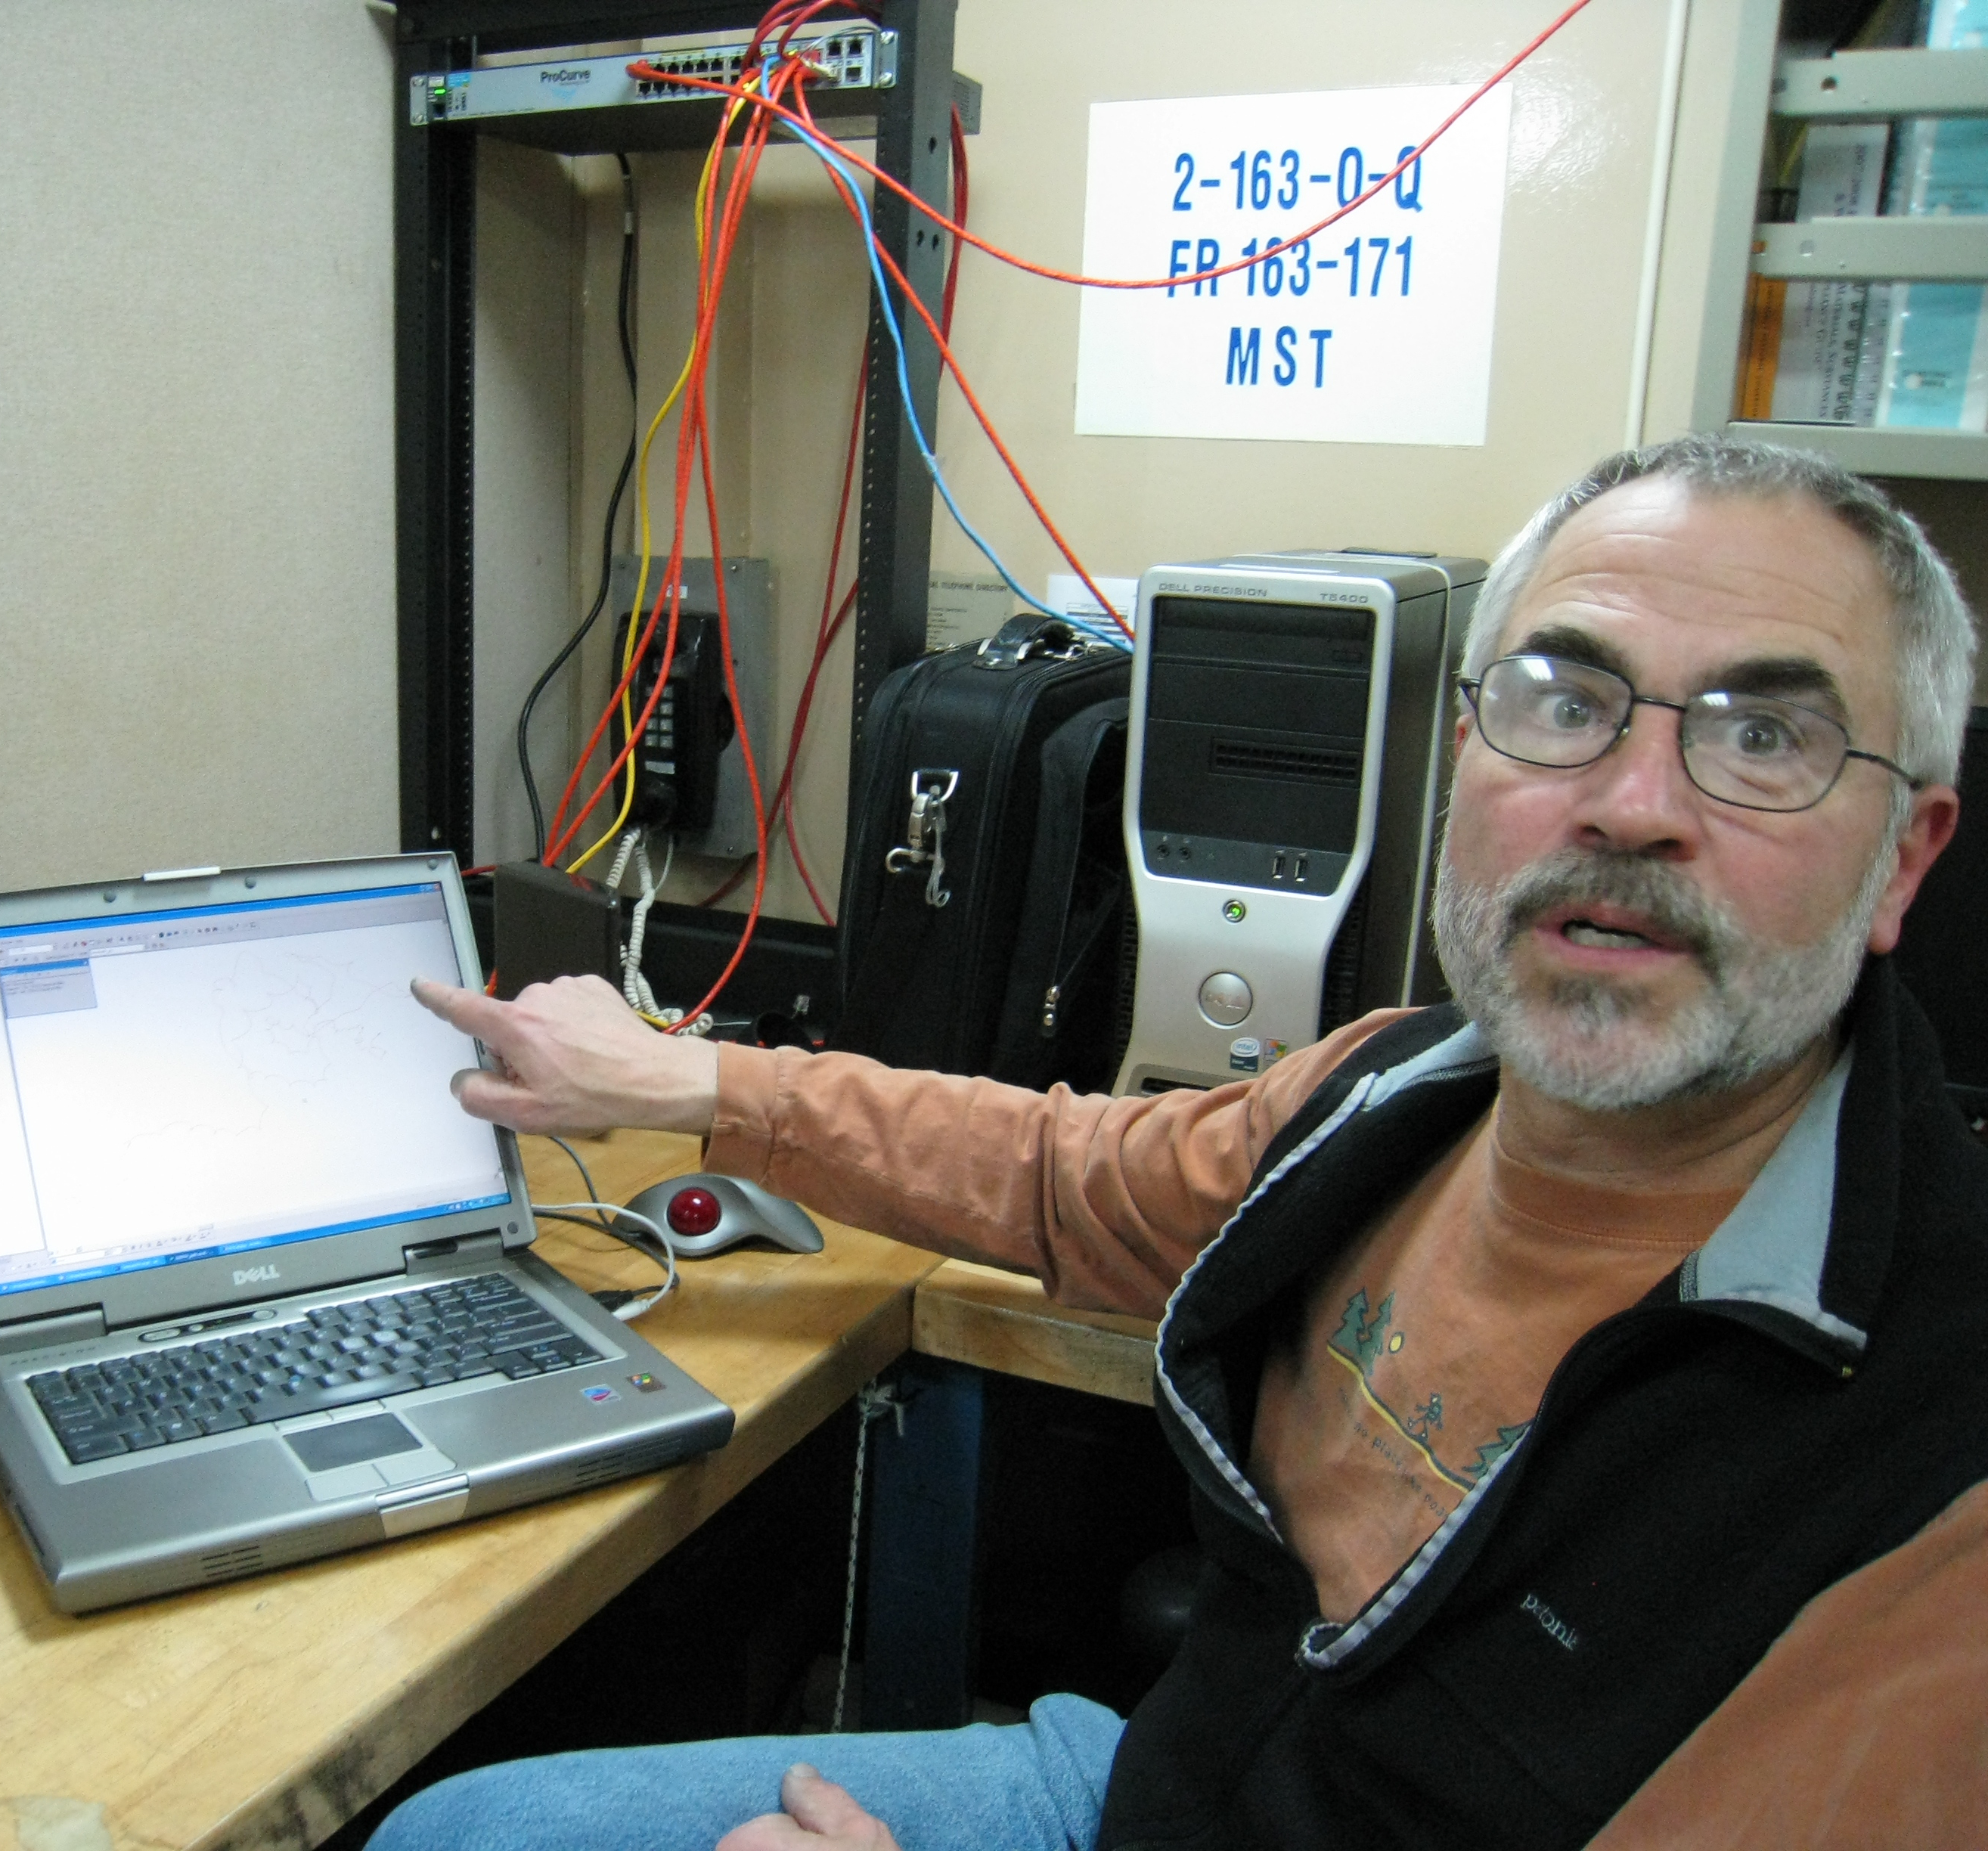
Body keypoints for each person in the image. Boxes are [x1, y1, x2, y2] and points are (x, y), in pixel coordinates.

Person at [376, 434, 1988, 1851]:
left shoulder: (1937, 1476)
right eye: (1564, 704)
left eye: (1763, 739)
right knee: (465, 1832)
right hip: (1170, 1788)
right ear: (1463, 756)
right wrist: (692, 1083)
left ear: (1906, 860)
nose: (1632, 804)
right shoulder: (1393, 1101)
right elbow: (1063, 1175)